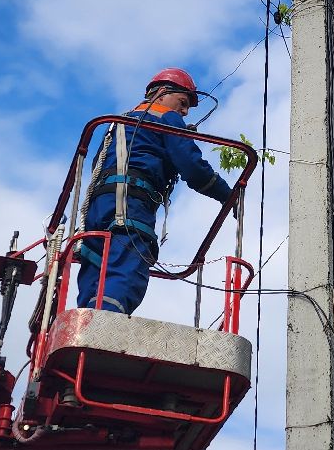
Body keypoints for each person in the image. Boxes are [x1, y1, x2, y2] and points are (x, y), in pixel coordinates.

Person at [74, 67, 236, 314]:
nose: (184, 112)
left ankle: (83, 331)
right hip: (131, 204)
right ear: (161, 93)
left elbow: (102, 163)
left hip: (99, 206)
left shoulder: (118, 124)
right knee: (128, 268)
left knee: (97, 266)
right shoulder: (167, 119)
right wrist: (228, 195)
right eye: (182, 103)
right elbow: (192, 167)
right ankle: (103, 332)